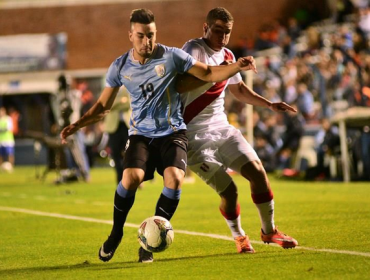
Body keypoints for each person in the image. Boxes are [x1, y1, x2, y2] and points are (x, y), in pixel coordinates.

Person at [60, 8, 258, 263]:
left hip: (173, 132)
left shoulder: (172, 56)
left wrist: (235, 66)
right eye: (141, 36)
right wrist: (78, 124)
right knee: (131, 178)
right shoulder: (120, 66)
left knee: (174, 178)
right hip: (141, 135)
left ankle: (148, 243)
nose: (147, 42)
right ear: (131, 35)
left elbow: (208, 73)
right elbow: (102, 107)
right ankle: (115, 233)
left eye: (151, 35)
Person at [176, 7, 298, 253]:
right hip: (193, 137)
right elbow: (186, 82)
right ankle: (240, 236)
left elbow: (239, 90)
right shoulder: (193, 49)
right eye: (217, 30)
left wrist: (269, 104)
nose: (222, 37)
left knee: (257, 172)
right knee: (229, 191)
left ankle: (269, 231)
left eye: (227, 32)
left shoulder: (229, 55)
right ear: (205, 28)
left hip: (222, 128)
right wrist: (229, 67)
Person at [103, 88, 130, 184]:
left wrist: (115, 104)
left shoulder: (127, 88)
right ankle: (120, 179)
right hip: (113, 127)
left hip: (127, 126)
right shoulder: (108, 89)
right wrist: (120, 101)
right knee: (115, 154)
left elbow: (129, 104)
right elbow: (106, 105)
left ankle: (131, 177)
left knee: (130, 153)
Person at [0, 107, 15, 171]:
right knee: (1, 154)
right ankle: (1, 167)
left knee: (10, 153)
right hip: (1, 140)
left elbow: (9, 128)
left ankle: (11, 167)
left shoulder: (8, 119)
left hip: (8, 140)